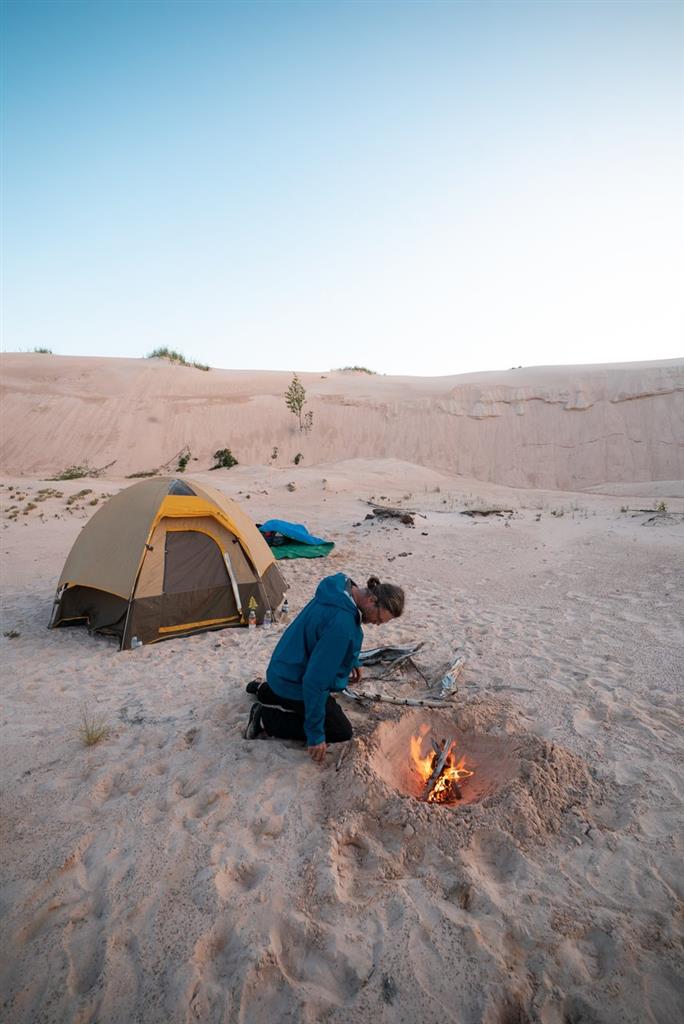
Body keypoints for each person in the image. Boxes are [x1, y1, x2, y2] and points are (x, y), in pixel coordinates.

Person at [243, 573, 405, 763]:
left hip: (282, 668)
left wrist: (352, 661)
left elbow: (321, 636)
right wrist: (316, 736)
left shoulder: (340, 589)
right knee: (339, 730)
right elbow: (315, 683)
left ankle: (264, 690)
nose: (376, 624)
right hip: (295, 680)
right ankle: (263, 718)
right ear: (372, 599)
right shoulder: (342, 624)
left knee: (311, 698)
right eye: (378, 618)